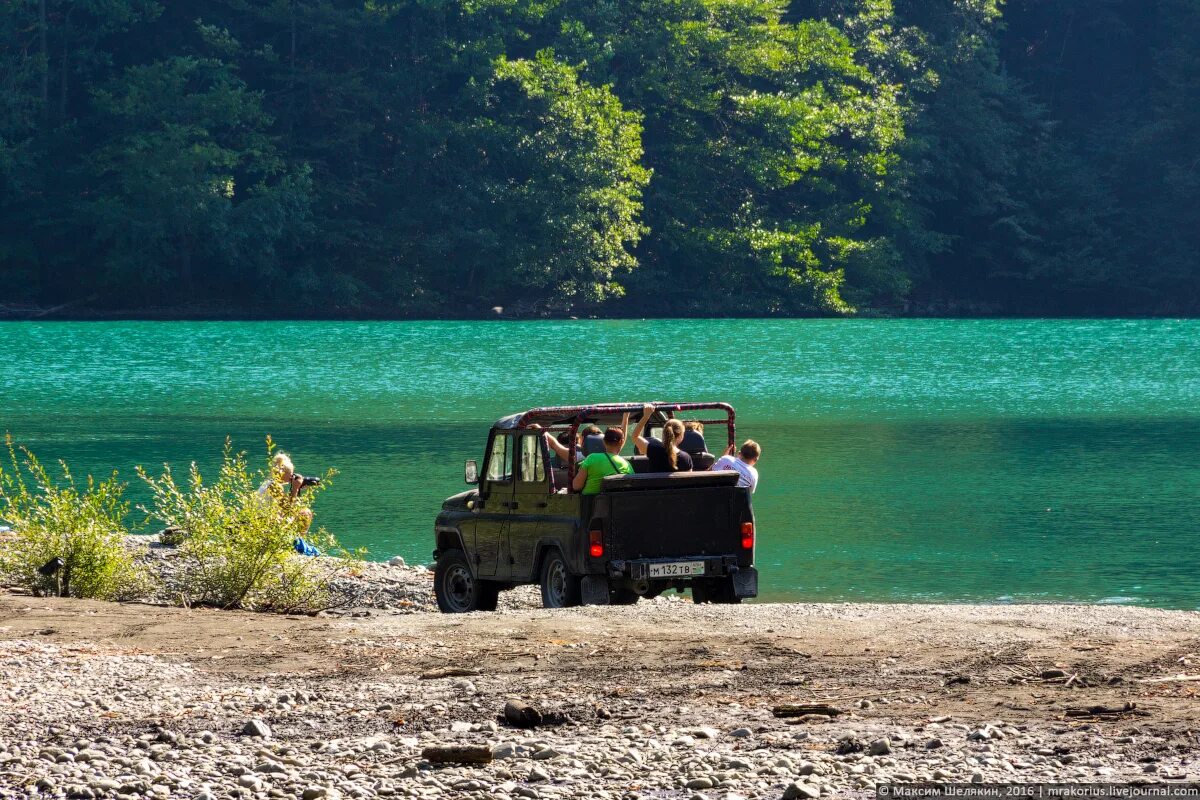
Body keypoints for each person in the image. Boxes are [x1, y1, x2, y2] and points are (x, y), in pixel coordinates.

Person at [257, 452, 314, 533]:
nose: (291, 478)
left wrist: (297, 489)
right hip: (266, 526)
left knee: (302, 512)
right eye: (290, 475)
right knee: (305, 513)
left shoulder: (268, 483)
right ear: (282, 473)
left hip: (263, 522)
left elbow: (284, 507)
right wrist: (295, 489)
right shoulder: (275, 486)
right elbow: (288, 511)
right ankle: (298, 543)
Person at [572, 426, 634, 494]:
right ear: (622, 442)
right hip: (618, 503)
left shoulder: (591, 458)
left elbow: (576, 486)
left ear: (603, 441)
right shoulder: (627, 464)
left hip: (591, 503)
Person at [632, 404, 693, 472]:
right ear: (680, 436)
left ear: (664, 433)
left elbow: (635, 436)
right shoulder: (686, 458)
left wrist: (646, 416)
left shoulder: (654, 449)